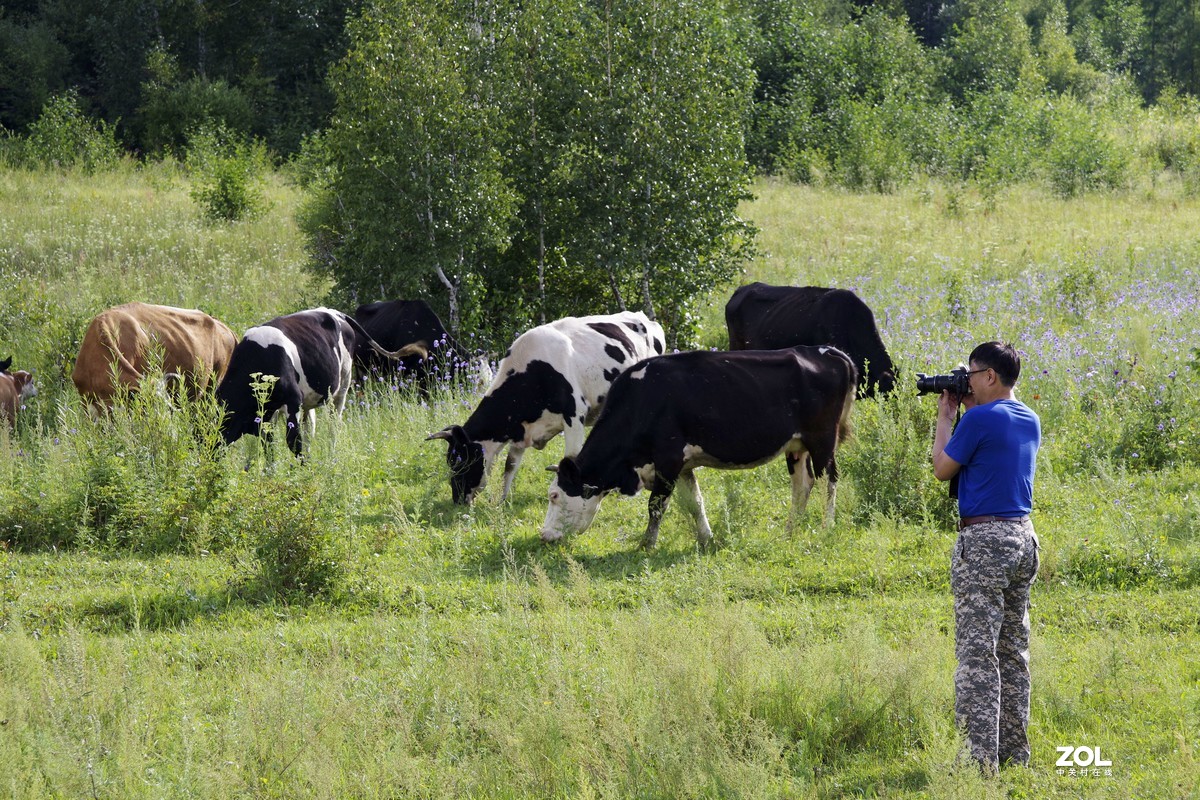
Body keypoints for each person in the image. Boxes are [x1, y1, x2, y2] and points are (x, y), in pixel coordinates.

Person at [931, 341, 1041, 774]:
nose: (968, 381)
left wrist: (946, 417)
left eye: (972, 374)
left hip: (985, 543)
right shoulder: (1029, 418)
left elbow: (942, 469)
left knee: (978, 657)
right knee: (1012, 651)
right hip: (1023, 537)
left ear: (990, 376)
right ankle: (1014, 755)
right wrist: (969, 404)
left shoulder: (976, 419)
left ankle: (978, 765)